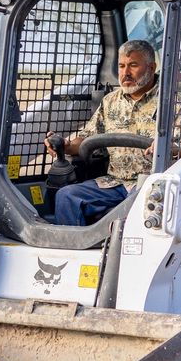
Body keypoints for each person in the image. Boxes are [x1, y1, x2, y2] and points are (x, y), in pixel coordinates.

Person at [43, 39, 163, 226]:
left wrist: (166, 146)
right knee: (67, 196)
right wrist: (66, 146)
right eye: (121, 66)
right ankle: (72, 254)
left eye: (133, 65)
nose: (125, 73)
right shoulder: (110, 101)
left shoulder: (171, 102)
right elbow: (86, 138)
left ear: (151, 67)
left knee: (141, 204)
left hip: (151, 185)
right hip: (114, 182)